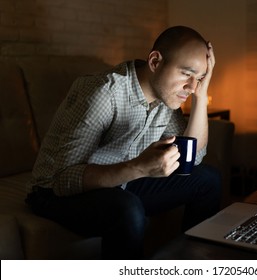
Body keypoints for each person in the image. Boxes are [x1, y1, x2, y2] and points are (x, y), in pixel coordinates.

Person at [25, 26, 221, 259]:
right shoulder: (104, 93)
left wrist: (202, 94)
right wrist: (139, 167)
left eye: (198, 78)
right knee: (128, 210)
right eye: (186, 74)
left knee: (208, 180)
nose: (192, 87)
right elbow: (63, 180)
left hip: (121, 182)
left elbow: (192, 158)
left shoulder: (167, 97)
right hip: (53, 193)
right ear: (156, 61)